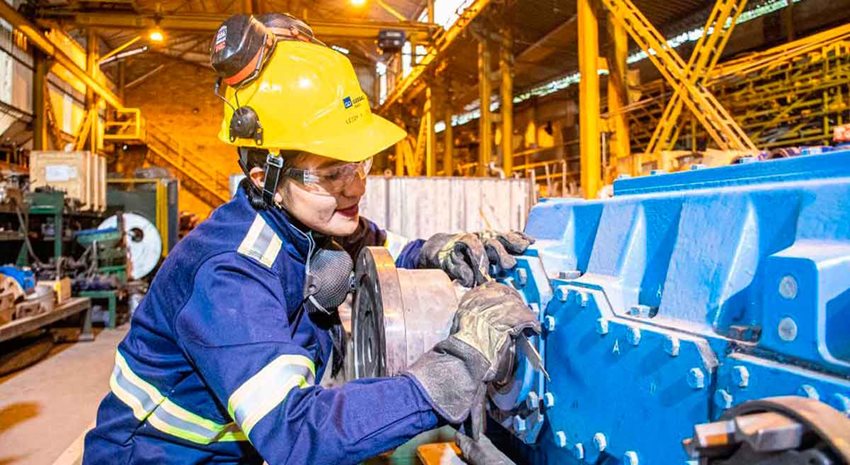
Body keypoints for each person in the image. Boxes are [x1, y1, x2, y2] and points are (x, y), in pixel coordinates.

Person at [83, 14, 538, 465]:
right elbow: (295, 432)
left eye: (359, 164)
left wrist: (436, 250)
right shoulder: (230, 274)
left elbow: (375, 244)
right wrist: (455, 369)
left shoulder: (305, 227)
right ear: (264, 175)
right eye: (332, 173)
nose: (356, 187)